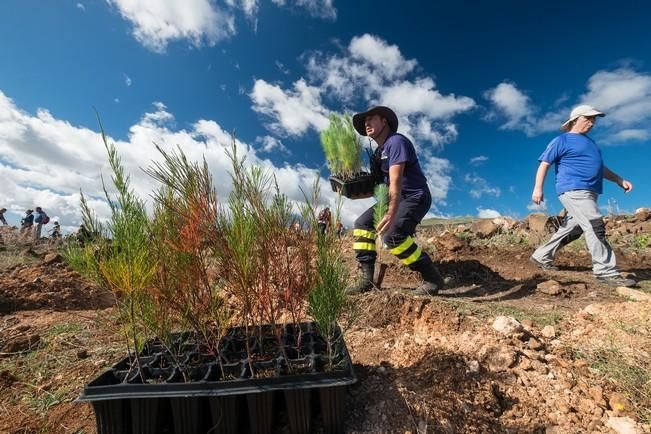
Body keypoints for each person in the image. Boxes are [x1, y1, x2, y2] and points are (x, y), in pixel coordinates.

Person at [529, 104, 635, 287]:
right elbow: (545, 164)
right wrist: (538, 188)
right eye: (588, 118)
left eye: (594, 119)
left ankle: (541, 256)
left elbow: (599, 168)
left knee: (574, 228)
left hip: (590, 192)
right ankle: (606, 271)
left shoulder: (590, 143)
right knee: (595, 225)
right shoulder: (562, 140)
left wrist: (618, 179)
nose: (592, 122)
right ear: (575, 120)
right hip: (573, 190)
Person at [347, 106, 444, 296]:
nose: (366, 123)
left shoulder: (396, 142)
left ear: (384, 121)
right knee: (361, 225)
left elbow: (396, 180)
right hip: (395, 198)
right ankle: (367, 279)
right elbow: (379, 188)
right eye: (364, 121)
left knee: (392, 236)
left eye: (371, 118)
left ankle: (432, 278)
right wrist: (353, 193)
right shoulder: (377, 154)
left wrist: (390, 213)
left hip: (415, 196)